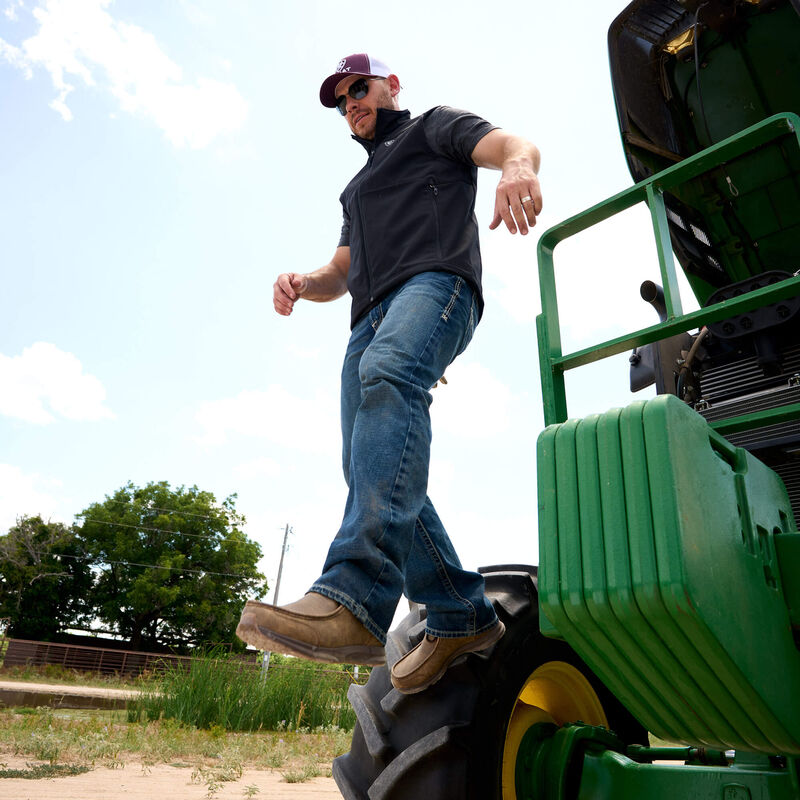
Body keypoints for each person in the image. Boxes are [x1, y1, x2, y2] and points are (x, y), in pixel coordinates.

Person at [236, 53, 542, 694]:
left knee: (388, 377)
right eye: (342, 101)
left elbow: (513, 143)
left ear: (390, 85)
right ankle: (460, 613)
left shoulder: (435, 127)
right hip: (366, 318)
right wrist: (303, 281)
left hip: (437, 286)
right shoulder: (356, 190)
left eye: (359, 89)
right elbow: (339, 273)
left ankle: (354, 596)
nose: (351, 104)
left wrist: (516, 168)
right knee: (369, 460)